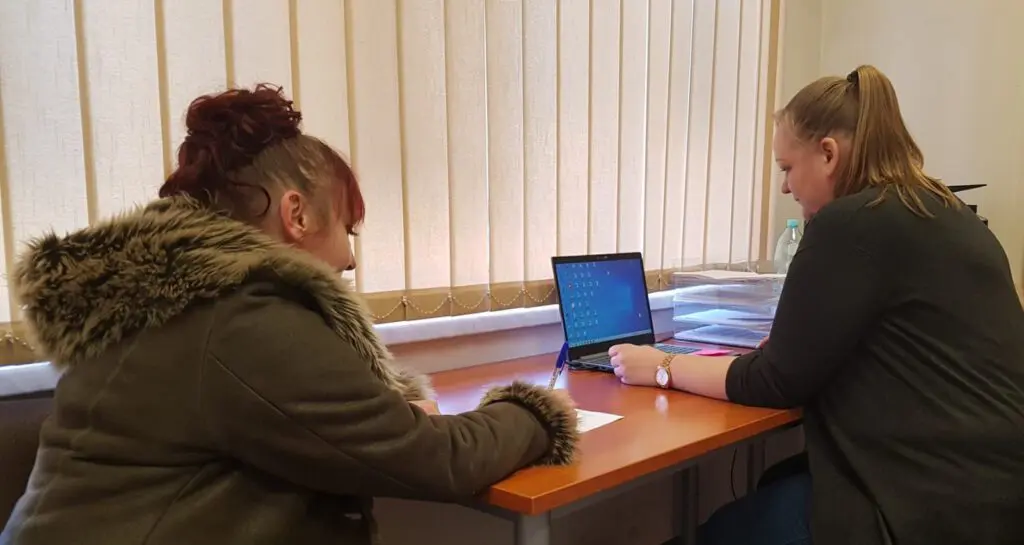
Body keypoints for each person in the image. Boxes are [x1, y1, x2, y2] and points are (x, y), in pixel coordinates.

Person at [0, 84, 580, 545]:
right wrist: (535, 413)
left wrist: (389, 413)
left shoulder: (167, 302)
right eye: (348, 228)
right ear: (297, 215)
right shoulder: (241, 319)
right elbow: (438, 461)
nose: (350, 258)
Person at [612, 65, 1024, 545]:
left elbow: (773, 381)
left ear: (828, 154)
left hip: (926, 506)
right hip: (995, 493)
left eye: (787, 168)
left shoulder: (850, 222)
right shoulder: (948, 213)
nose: (785, 188)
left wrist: (660, 365)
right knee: (777, 479)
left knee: (717, 533)